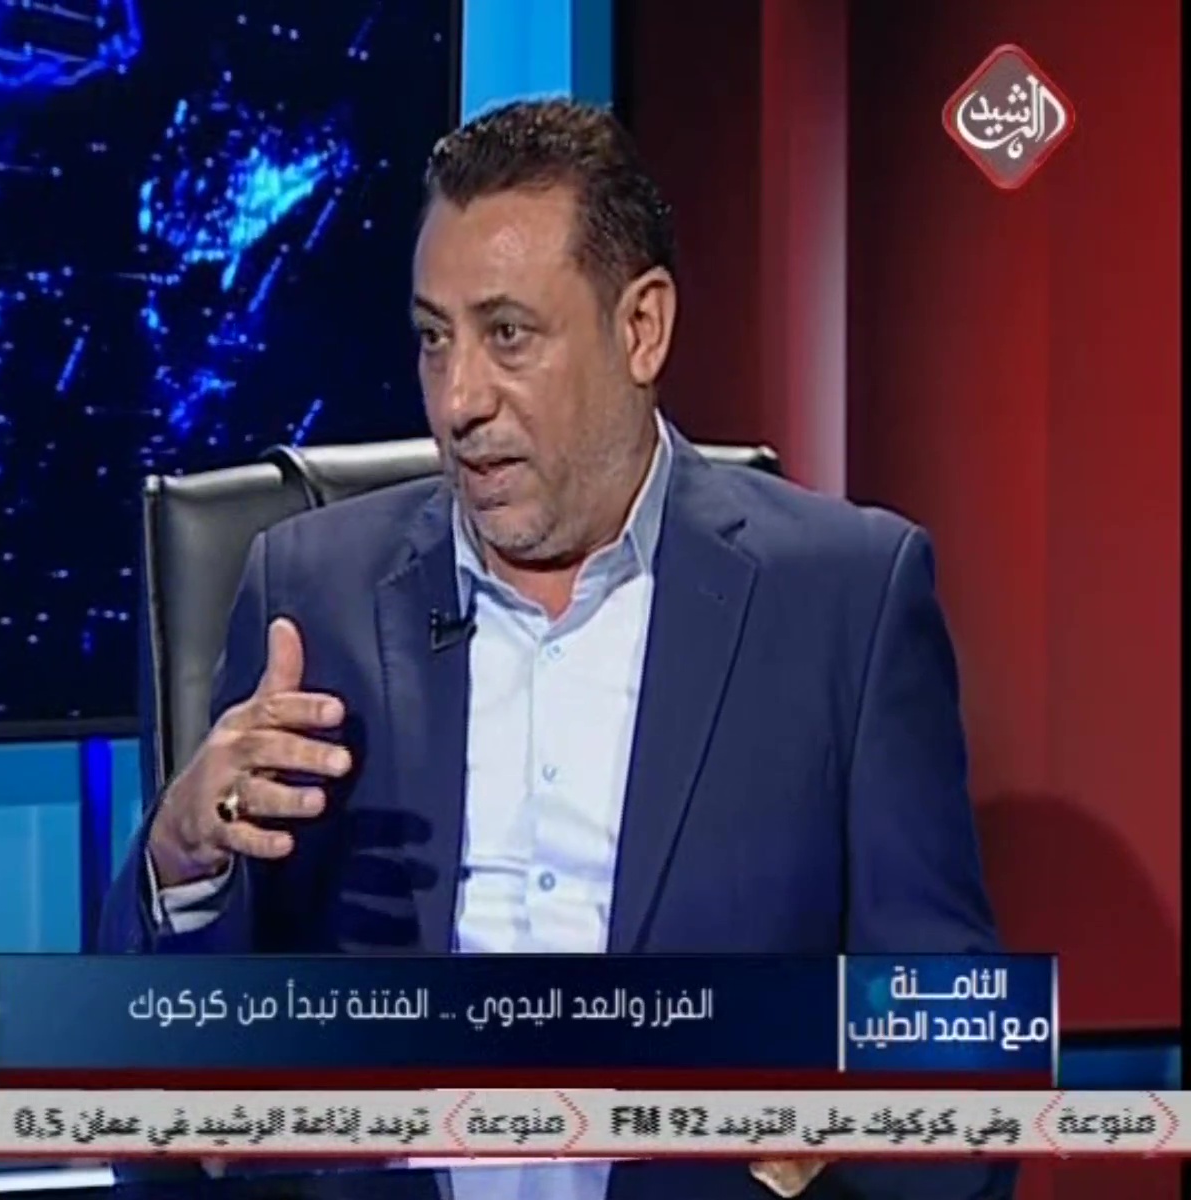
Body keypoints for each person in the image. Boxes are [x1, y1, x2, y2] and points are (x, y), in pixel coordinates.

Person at [101, 99, 1012, 1200]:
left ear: (642, 330)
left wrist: (830, 1121)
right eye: (434, 338)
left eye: (508, 335)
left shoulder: (845, 603)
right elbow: (152, 1096)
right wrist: (181, 862)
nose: (458, 400)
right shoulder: (311, 598)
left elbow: (965, 1079)